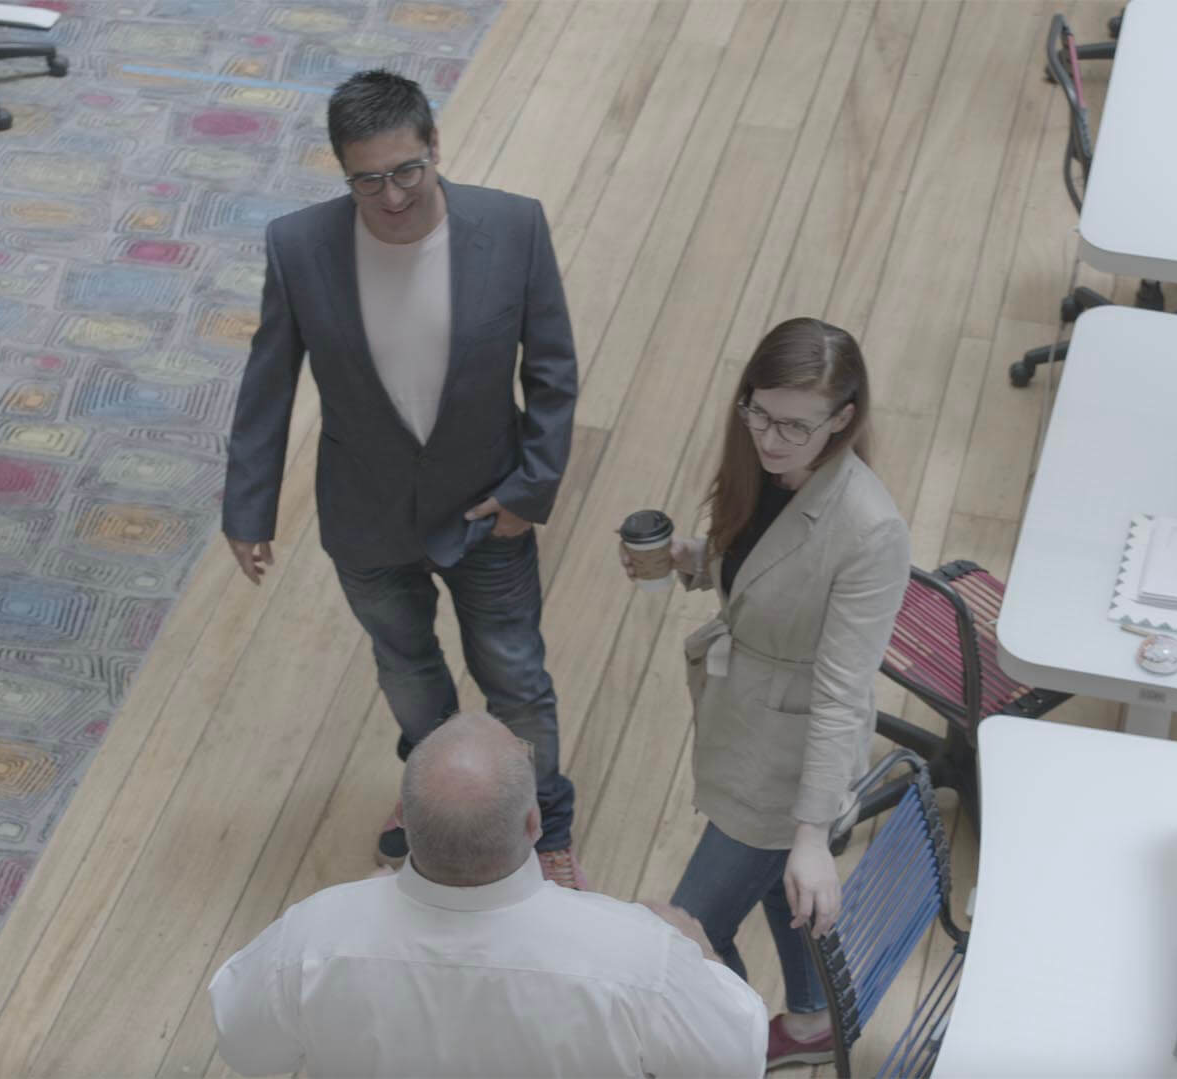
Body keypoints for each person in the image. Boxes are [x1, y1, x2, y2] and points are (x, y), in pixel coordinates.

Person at [222, 70, 585, 886]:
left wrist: (530, 489)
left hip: (489, 507)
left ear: (435, 147)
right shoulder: (299, 246)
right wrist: (247, 507)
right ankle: (440, 799)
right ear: (343, 172)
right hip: (367, 513)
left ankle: (547, 823)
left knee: (516, 679)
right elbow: (268, 381)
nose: (391, 197)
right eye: (368, 179)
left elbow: (554, 371)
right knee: (408, 669)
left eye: (407, 170)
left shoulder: (512, 227)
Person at [619, 317, 910, 1070]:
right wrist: (692, 559)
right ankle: (812, 1021)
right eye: (758, 412)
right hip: (742, 720)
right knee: (788, 896)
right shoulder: (764, 470)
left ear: (844, 418)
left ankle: (728, 1045)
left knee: (687, 935)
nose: (770, 437)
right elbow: (761, 570)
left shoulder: (869, 530)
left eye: (793, 424)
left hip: (787, 768)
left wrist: (812, 832)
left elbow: (845, 694)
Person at [208, 714, 769, 1078]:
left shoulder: (312, 937)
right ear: (533, 824)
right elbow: (736, 1059)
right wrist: (704, 953)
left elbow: (246, 1049)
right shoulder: (639, 956)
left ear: (402, 819)